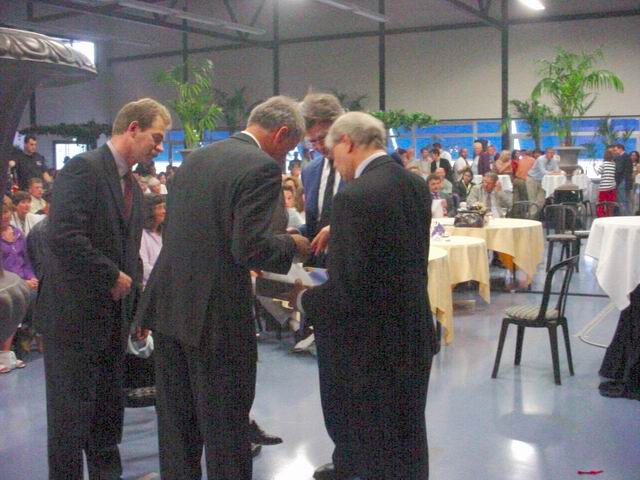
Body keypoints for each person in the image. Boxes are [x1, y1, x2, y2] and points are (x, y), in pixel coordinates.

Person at [135, 96, 311, 480]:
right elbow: (250, 248)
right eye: (289, 149)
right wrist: (293, 244)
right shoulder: (261, 166)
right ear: (281, 134)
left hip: (169, 305)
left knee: (177, 426)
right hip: (216, 314)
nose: (285, 157)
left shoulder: (196, 159)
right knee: (226, 429)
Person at [287, 111, 437, 480]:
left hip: (371, 342)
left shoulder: (353, 196)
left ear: (347, 142)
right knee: (409, 432)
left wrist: (303, 299)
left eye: (332, 151)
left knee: (376, 439)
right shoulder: (414, 184)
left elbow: (348, 289)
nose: (333, 162)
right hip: (413, 329)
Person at [35, 98, 172, 480]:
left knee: (108, 413)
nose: (159, 147)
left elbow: (132, 254)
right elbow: (63, 236)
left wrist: (139, 310)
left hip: (113, 319)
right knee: (70, 418)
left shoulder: (132, 186)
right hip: (72, 318)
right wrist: (110, 275)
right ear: (133, 128)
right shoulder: (84, 169)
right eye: (156, 137)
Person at [300, 93, 346, 266]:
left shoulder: (365, 166)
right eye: (312, 141)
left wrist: (337, 228)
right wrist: (296, 232)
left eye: (324, 137)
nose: (320, 146)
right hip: (319, 265)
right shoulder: (309, 171)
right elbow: (316, 223)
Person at [0, 195, 38, 373]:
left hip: (23, 280)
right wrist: (22, 282)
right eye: (1, 213)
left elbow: (27, 262)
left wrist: (31, 278)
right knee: (10, 300)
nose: (4, 216)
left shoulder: (18, 234)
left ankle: (17, 347)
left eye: (6, 212)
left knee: (39, 293)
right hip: (6, 283)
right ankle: (5, 353)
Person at [597, 149, 618, 217]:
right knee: (610, 204)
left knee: (601, 204)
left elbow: (598, 173)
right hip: (612, 187)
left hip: (603, 187)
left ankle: (601, 217)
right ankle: (610, 217)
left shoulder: (603, 164)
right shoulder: (614, 164)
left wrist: (594, 166)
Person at [613, 143, 633, 215]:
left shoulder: (624, 157)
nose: (615, 152)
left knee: (623, 200)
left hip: (622, 181)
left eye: (616, 150)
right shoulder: (626, 156)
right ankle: (627, 215)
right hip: (624, 181)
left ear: (621, 149)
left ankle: (626, 216)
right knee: (625, 200)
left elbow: (619, 170)